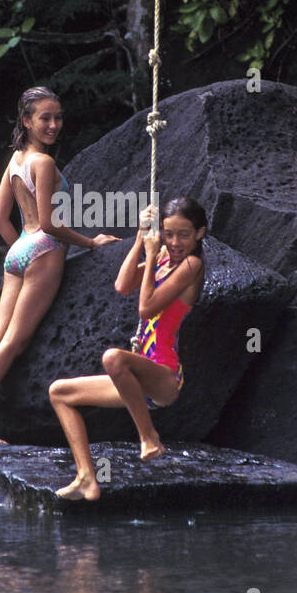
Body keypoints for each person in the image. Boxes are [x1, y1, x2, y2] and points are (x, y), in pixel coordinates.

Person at [0, 86, 117, 442]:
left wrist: (21, 251)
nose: (54, 125)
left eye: (58, 117)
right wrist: (91, 241)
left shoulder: (16, 159)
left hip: (20, 249)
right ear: (26, 120)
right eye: (45, 118)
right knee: (12, 343)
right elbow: (51, 223)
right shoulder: (44, 162)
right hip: (44, 247)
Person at [48, 197, 207, 501]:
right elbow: (122, 285)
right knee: (60, 392)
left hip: (164, 376)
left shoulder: (192, 265)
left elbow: (146, 308)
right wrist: (139, 241)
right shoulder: (163, 258)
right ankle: (86, 479)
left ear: (200, 233)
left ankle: (148, 437)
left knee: (113, 358)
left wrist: (151, 254)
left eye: (184, 235)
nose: (174, 242)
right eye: (168, 233)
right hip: (137, 381)